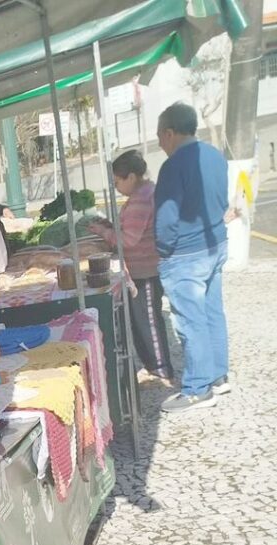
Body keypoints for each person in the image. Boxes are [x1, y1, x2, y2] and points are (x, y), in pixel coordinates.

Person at [153, 102, 230, 413]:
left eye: (159, 136)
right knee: (212, 312)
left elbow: (166, 217)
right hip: (215, 244)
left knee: (190, 320)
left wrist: (163, 250)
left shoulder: (172, 166)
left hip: (185, 253)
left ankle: (198, 389)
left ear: (170, 133)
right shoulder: (214, 155)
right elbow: (222, 201)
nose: (159, 142)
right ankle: (219, 376)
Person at [88, 151, 174, 383]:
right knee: (140, 320)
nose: (116, 187)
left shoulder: (141, 199)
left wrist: (103, 232)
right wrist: (110, 226)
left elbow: (128, 239)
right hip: (141, 267)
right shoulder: (144, 193)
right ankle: (152, 365)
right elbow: (130, 229)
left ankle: (161, 369)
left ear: (132, 177)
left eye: (117, 182)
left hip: (145, 270)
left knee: (148, 320)